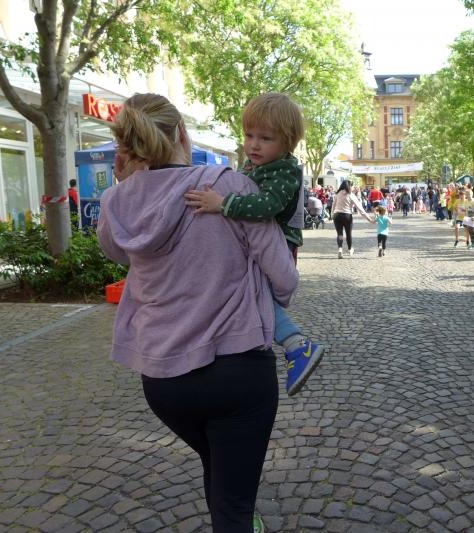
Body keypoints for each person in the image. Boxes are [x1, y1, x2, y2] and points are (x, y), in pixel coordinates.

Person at [98, 93, 298, 532]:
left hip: (164, 380)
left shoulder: (117, 200)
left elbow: (117, 252)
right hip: (238, 372)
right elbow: (285, 281)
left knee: (220, 470)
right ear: (182, 134)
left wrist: (125, 187)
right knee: (234, 504)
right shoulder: (227, 187)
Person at [183, 92, 324, 395]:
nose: (254, 145)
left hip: (280, 245)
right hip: (261, 244)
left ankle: (297, 345)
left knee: (259, 295)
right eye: (249, 135)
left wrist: (222, 203)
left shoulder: (285, 170)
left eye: (265, 138)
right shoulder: (256, 164)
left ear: (287, 142)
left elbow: (266, 206)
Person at [331, 179, 372, 258]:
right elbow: (360, 208)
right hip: (347, 215)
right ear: (349, 186)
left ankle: (340, 249)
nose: (353, 187)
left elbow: (333, 204)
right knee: (348, 233)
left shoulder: (338, 193)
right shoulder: (351, 195)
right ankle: (350, 249)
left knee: (339, 233)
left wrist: (332, 214)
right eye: (352, 186)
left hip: (337, 215)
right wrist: (369, 219)